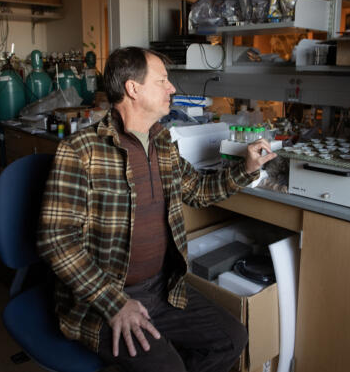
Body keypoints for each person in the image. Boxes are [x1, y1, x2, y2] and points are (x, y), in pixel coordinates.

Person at [37, 46, 277, 372]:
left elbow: (197, 190)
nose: (173, 89)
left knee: (232, 338)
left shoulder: (161, 142)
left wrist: (246, 168)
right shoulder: (80, 151)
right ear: (133, 89)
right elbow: (56, 239)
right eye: (162, 81)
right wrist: (114, 303)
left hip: (163, 289)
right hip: (103, 300)